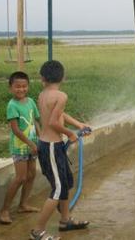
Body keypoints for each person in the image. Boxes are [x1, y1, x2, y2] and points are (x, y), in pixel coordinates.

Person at [30, 60, 90, 240]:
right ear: (63, 77)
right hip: (50, 147)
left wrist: (78, 124)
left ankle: (65, 221)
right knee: (57, 188)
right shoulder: (61, 95)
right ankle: (37, 231)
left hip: (49, 146)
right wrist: (70, 134)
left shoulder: (43, 94)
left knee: (65, 183)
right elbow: (53, 122)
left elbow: (58, 114)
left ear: (42, 78)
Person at [0, 71, 41, 225]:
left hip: (33, 144)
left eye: (24, 86)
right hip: (20, 146)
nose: (21, 89)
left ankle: (23, 204)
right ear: (10, 88)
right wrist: (30, 143)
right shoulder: (12, 105)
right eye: (17, 87)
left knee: (31, 174)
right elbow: (15, 130)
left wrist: (40, 138)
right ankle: (4, 210)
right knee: (20, 177)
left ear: (28, 87)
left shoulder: (30, 101)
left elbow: (35, 121)